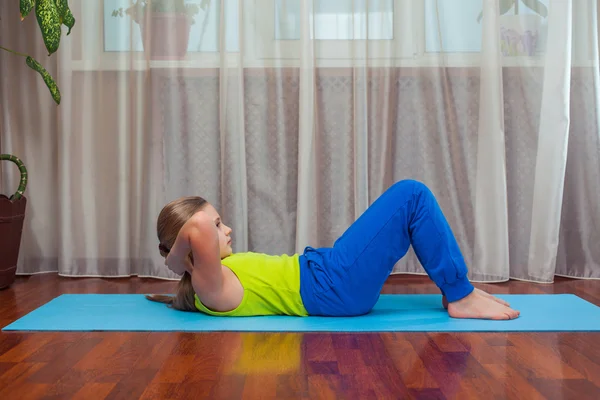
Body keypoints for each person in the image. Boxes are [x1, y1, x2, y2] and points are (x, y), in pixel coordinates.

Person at [148, 180, 520, 320]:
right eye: (217, 226)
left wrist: (180, 259)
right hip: (333, 287)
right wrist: (176, 259)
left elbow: (197, 230)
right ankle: (460, 295)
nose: (225, 229)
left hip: (328, 273)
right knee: (412, 195)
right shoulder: (212, 289)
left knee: (410, 201)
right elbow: (196, 227)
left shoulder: (210, 280)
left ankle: (457, 289)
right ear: (194, 246)